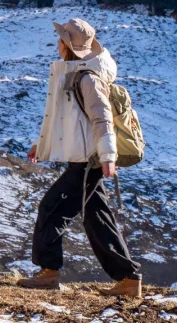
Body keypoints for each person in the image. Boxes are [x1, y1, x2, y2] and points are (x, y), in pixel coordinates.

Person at [17, 17, 142, 297]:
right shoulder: (76, 74)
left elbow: (102, 119)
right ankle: (128, 279)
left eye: (62, 39)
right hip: (86, 159)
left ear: (69, 46)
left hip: (88, 161)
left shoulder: (88, 79)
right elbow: (65, 120)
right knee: (97, 218)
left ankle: (49, 272)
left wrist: (108, 155)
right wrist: (41, 145)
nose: (57, 44)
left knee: (52, 208)